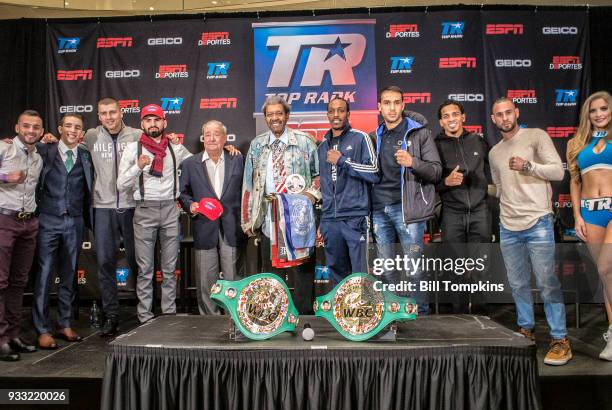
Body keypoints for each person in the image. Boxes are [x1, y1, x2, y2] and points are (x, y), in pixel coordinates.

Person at [489, 97, 571, 365]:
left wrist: (528, 166)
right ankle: (527, 330)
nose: (504, 118)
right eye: (499, 114)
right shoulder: (494, 153)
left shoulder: (536, 136)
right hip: (508, 227)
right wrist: (474, 185)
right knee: (518, 284)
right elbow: (500, 190)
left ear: (517, 112)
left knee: (547, 284)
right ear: (493, 119)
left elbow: (558, 172)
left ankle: (560, 339)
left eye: (508, 112)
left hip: (538, 222)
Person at [241, 96, 320, 314]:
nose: (275, 118)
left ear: (286, 116)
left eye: (279, 113)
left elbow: (318, 175)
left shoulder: (305, 141)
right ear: (265, 118)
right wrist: (247, 219)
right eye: (270, 114)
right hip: (269, 216)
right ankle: (276, 316)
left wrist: (311, 195)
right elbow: (248, 184)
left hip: (299, 218)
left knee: (303, 269)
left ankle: (304, 316)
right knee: (272, 270)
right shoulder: (257, 145)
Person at [369, 86, 442, 313]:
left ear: (403, 105)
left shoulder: (419, 133)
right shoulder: (374, 136)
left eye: (396, 102)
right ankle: (395, 312)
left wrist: (413, 163)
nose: (392, 107)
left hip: (407, 211)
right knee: (387, 267)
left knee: (414, 268)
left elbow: (436, 171)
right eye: (387, 103)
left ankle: (421, 315)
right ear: (379, 107)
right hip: (380, 209)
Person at [117, 104, 192, 323]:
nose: (153, 124)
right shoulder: (133, 149)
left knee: (169, 269)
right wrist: (138, 167)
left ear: (164, 122)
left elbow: (199, 163)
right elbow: (121, 185)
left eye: (156, 119)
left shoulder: (175, 148)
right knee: (145, 269)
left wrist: (227, 150)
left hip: (170, 209)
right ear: (142, 125)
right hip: (144, 210)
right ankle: (145, 318)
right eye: (148, 120)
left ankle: (168, 315)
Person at [33, 114, 93, 349]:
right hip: (48, 219)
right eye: (68, 126)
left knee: (69, 274)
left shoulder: (86, 155)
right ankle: (42, 328)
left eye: (77, 127)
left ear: (82, 132)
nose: (73, 130)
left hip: (75, 221)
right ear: (59, 129)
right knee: (45, 274)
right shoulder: (44, 149)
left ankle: (64, 323)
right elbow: (23, 148)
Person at [179, 120, 244, 315]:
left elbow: (247, 191)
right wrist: (191, 205)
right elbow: (182, 194)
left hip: (232, 228)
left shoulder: (238, 159)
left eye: (217, 134)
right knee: (206, 280)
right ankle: (208, 321)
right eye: (208, 134)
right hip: (204, 227)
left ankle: (236, 318)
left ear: (225, 138)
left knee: (233, 279)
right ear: (203, 139)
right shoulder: (190, 164)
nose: (212, 138)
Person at [566, 90, 612, 360]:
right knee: (607, 275)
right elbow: (575, 181)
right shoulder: (576, 143)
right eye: (593, 110)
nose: (599, 114)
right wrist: (577, 216)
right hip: (590, 213)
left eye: (604, 109)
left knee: (607, 266)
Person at [434, 99, 491, 313]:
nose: (451, 119)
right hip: (452, 212)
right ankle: (459, 318)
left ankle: (482, 316)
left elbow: (493, 172)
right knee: (455, 268)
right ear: (441, 121)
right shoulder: (435, 145)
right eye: (446, 116)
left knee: (481, 268)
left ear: (463, 117)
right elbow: (430, 182)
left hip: (480, 211)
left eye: (455, 114)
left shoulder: (478, 141)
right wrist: (445, 183)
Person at [318, 97, 379, 284]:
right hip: (330, 219)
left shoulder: (361, 138)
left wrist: (343, 160)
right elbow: (324, 185)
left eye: (341, 110)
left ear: (348, 113)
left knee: (360, 272)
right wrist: (323, 218)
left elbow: (374, 172)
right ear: (328, 114)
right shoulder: (321, 147)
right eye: (332, 111)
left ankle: (364, 311)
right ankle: (341, 311)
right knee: (336, 270)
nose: (336, 115)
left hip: (355, 217)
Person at [0, 110, 44, 361]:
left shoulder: (37, 157)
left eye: (36, 127)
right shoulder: (4, 149)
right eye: (26, 126)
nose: (31, 131)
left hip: (28, 223)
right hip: (4, 219)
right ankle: (1, 338)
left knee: (18, 282)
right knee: (1, 282)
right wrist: (6, 177)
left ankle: (13, 334)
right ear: (17, 127)